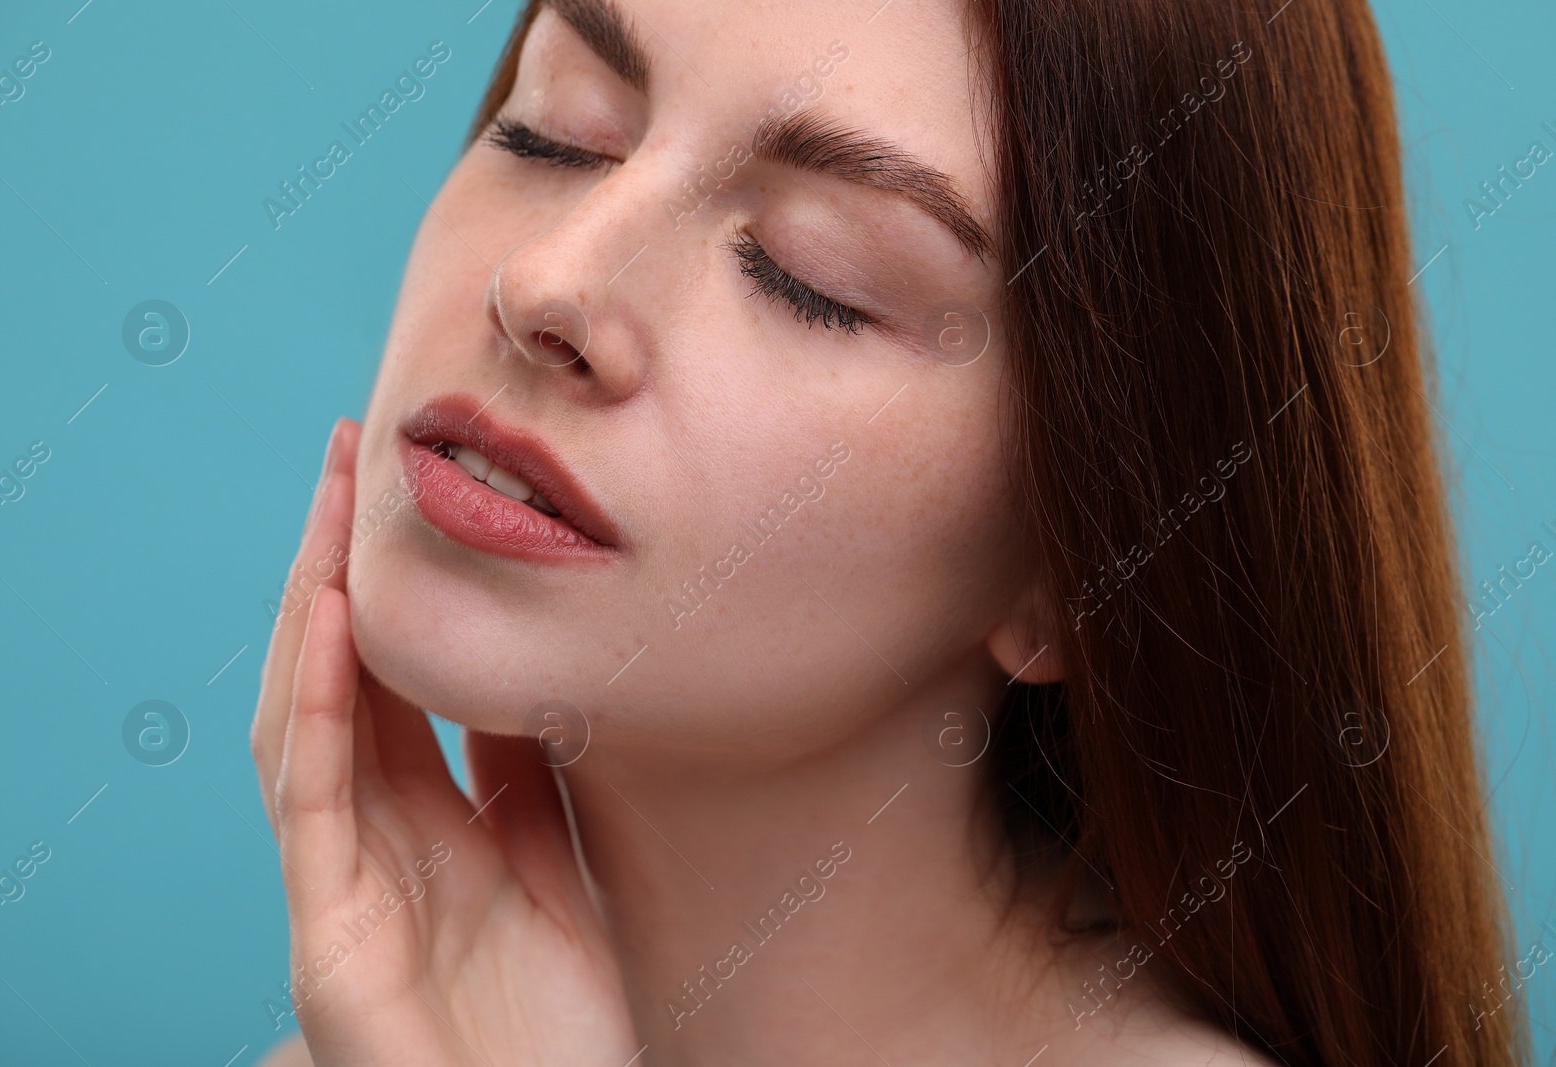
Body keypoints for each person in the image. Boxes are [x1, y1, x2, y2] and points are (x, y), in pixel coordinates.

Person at [252, 0, 1523, 1063]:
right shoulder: (388, 1029)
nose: (545, 282)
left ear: (1081, 566)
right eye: (556, 130)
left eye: (813, 276)